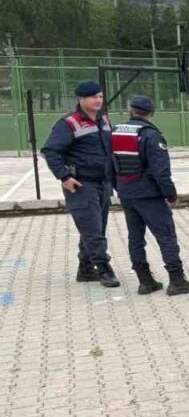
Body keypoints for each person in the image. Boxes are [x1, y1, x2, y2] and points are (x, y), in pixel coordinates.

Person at [110, 94, 189, 296]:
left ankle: (145, 281)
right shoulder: (151, 135)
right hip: (149, 195)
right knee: (166, 236)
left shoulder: (116, 133)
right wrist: (170, 194)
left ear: (130, 110)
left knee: (135, 237)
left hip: (126, 193)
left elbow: (109, 165)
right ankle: (177, 280)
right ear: (151, 113)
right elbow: (161, 172)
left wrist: (118, 188)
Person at [41, 79, 119, 287]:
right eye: (93, 96)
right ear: (81, 99)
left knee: (96, 228)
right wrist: (64, 177)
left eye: (100, 96)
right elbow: (50, 151)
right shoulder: (69, 123)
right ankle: (103, 268)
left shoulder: (104, 120)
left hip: (103, 182)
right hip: (81, 184)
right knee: (92, 229)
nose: (98, 100)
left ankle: (85, 269)